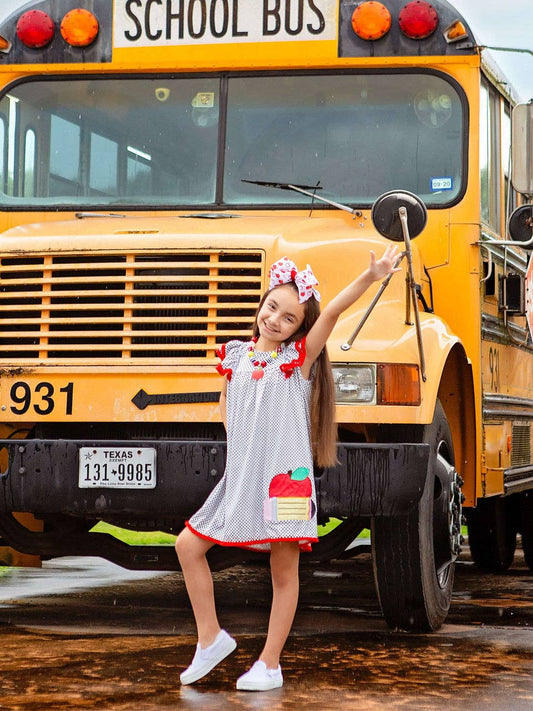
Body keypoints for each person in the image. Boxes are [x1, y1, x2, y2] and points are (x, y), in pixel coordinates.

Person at [175, 246, 400, 691]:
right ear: (262, 304)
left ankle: (271, 663)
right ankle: (210, 638)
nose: (275, 319)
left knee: (284, 571)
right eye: (272, 307)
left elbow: (332, 312)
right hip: (241, 481)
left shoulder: (298, 362)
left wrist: (371, 276)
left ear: (300, 329)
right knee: (187, 546)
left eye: (289, 318)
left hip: (288, 485)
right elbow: (229, 411)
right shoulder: (235, 357)